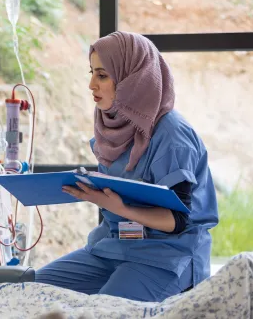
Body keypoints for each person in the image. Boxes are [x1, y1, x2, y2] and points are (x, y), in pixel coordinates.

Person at [35, 31, 219, 302]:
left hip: (165, 256)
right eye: (91, 73)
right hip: (112, 246)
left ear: (133, 79)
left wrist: (118, 207)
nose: (91, 85)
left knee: (105, 311)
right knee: (29, 291)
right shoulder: (112, 125)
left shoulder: (172, 135)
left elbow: (177, 221)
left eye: (102, 75)